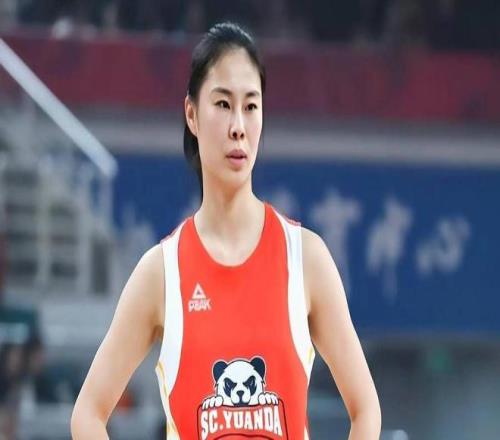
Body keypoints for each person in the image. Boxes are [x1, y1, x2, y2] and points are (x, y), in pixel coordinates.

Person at [71, 22, 381, 439]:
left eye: (251, 106)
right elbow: (87, 414)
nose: (239, 126)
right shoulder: (162, 272)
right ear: (192, 114)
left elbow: (366, 410)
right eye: (223, 103)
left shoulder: (305, 258)